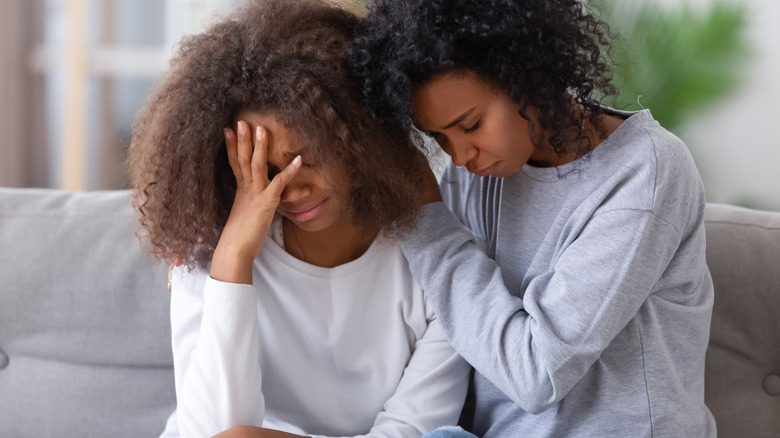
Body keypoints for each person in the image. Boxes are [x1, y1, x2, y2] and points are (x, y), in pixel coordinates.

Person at [350, 0, 717, 437]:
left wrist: (424, 221)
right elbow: (455, 318)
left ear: (527, 77)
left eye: (470, 126)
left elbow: (537, 375)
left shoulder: (645, 173)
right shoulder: (479, 172)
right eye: (437, 137)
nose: (459, 156)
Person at [127, 1, 470, 437]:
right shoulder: (211, 252)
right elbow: (210, 432)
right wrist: (232, 260)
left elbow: (417, 430)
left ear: (360, 137)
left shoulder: (433, 265)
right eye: (265, 172)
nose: (291, 189)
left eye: (306, 159)